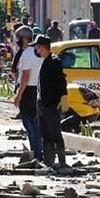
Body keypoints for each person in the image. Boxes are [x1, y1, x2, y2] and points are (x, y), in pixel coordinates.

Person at [34, 35, 67, 169]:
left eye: (37, 46)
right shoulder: (45, 61)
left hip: (52, 104)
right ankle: (49, 161)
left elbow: (61, 82)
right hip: (43, 104)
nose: (36, 49)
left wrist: (62, 98)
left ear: (42, 47)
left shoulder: (54, 61)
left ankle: (62, 161)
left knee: (55, 132)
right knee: (45, 133)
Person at [13, 26, 43, 162]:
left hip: (28, 90)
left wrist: (19, 95)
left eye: (19, 38)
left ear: (24, 39)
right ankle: (38, 151)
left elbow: (25, 76)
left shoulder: (26, 54)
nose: (17, 41)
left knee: (28, 122)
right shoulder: (37, 52)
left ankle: (36, 152)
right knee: (35, 122)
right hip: (37, 89)